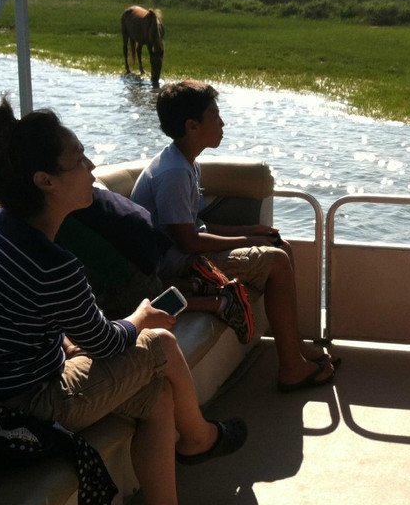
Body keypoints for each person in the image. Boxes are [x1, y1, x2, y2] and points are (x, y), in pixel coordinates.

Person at [0, 98, 246, 505]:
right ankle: (199, 438)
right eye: (78, 159)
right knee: (159, 342)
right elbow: (108, 341)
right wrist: (140, 316)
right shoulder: (52, 262)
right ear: (45, 181)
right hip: (19, 406)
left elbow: (52, 329)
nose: (91, 166)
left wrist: (103, 332)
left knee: (159, 396)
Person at [131, 80, 337, 392]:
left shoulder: (184, 162)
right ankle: (292, 369)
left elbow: (195, 226)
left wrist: (252, 232)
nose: (222, 122)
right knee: (277, 260)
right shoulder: (173, 173)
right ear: (192, 125)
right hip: (176, 265)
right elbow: (188, 243)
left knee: (281, 246)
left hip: (187, 253)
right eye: (215, 116)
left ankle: (296, 346)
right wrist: (248, 242)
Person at [0, 145, 229, 321]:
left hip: (129, 260)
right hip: (143, 240)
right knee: (144, 287)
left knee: (135, 308)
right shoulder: (66, 192)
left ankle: (217, 304)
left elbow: (94, 261)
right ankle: (195, 286)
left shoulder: (54, 214)